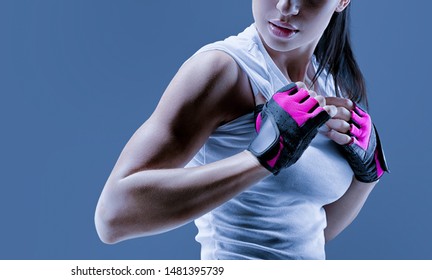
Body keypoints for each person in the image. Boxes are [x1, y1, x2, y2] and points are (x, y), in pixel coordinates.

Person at [94, 0, 389, 259]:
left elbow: (310, 232)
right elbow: (113, 216)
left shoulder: (329, 85)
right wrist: (261, 157)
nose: (286, 7)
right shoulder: (222, 70)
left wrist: (367, 175)